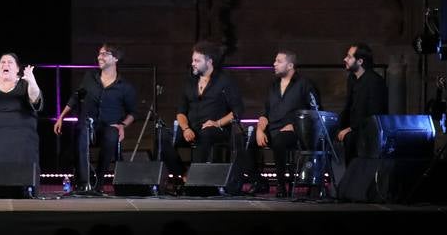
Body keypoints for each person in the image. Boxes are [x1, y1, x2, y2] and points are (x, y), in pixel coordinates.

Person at [54, 43, 138, 194]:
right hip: (88, 124)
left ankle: (98, 182)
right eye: (99, 53)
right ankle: (83, 182)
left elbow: (133, 113)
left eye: (105, 54)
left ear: (116, 58)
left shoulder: (125, 87)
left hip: (109, 126)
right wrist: (61, 116)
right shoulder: (90, 77)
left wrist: (122, 126)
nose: (100, 57)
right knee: (80, 130)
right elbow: (76, 96)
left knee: (112, 135)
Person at [161, 41, 245, 180]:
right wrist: (186, 128)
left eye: (197, 60)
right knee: (164, 138)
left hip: (216, 129)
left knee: (205, 135)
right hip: (191, 127)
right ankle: (184, 174)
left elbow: (238, 110)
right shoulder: (189, 82)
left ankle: (196, 178)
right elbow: (181, 111)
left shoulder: (225, 81)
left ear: (209, 62)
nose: (193, 63)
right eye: (193, 60)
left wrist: (218, 123)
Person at [0, 53, 42, 195]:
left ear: (17, 69)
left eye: (10, 62)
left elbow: (35, 99)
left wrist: (32, 81)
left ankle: (26, 186)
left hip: (22, 131)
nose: (5, 65)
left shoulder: (24, 83)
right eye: (2, 62)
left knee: (24, 140)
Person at [253, 50, 320, 196]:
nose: (274, 64)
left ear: (290, 65)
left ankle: (281, 185)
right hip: (272, 128)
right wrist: (259, 130)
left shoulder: (305, 84)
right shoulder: (273, 86)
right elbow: (265, 113)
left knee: (279, 142)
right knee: (245, 141)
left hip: (294, 130)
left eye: (278, 61)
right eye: (275, 61)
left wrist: (295, 125)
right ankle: (257, 181)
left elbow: (315, 112)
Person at [335, 42, 387, 166]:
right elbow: (349, 106)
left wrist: (351, 128)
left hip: (367, 131)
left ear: (360, 61)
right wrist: (338, 125)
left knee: (351, 139)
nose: (345, 59)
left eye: (349, 57)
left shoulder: (375, 82)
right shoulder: (352, 79)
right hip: (354, 128)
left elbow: (374, 113)